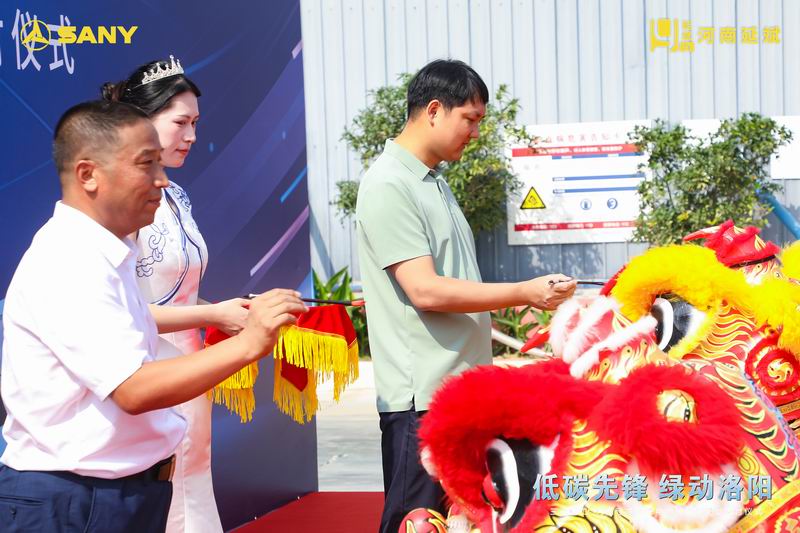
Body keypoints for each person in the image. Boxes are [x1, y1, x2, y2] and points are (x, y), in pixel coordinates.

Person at [0, 100, 306, 532]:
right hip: (77, 501)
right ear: (88, 174)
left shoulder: (108, 253)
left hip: (116, 493)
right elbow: (134, 388)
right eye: (146, 165)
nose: (161, 181)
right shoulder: (69, 259)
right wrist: (248, 344)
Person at [355, 59, 578, 532]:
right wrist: (523, 292)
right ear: (434, 110)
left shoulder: (432, 181)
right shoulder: (390, 184)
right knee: (419, 521)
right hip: (424, 402)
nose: (475, 133)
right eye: (470, 119)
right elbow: (425, 289)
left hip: (459, 392)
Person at [101, 55, 243, 533]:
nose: (192, 135)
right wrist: (215, 315)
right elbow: (124, 310)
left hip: (191, 372)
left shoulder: (176, 195)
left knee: (193, 478)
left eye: (196, 123)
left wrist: (230, 312)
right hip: (146, 374)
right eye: (180, 122)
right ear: (142, 121)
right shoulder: (122, 201)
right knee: (161, 495)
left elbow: (180, 294)